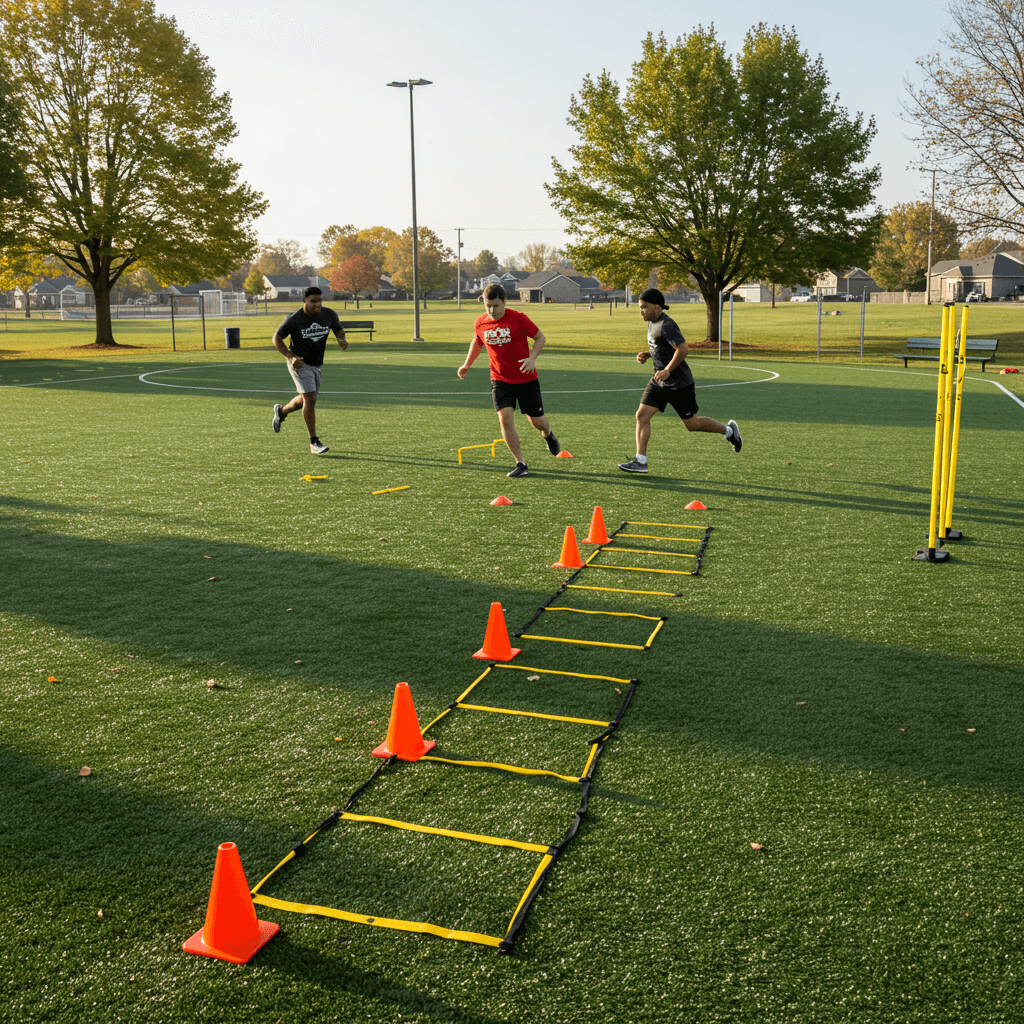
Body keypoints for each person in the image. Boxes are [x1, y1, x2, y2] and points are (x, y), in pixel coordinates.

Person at [618, 288, 741, 474]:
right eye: (640, 307)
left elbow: (683, 349)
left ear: (658, 308)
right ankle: (640, 461)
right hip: (659, 381)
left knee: (692, 424)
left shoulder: (667, 325)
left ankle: (730, 431)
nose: (641, 311)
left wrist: (667, 370)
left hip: (679, 384)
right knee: (641, 415)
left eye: (644, 307)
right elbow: (663, 346)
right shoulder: (652, 322)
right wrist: (648, 354)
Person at [457, 283, 560, 478]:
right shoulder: (480, 323)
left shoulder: (518, 318)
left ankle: (548, 434)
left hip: (525, 378)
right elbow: (478, 341)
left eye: (495, 305)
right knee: (505, 419)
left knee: (537, 421)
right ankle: (520, 463)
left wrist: (532, 358)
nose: (491, 310)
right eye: (488, 305)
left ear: (504, 302)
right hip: (500, 380)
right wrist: (466, 364)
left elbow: (540, 337)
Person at [271, 286, 347, 455]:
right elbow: (276, 338)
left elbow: (337, 328)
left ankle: (281, 411)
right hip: (300, 363)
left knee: (305, 400)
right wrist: (291, 357)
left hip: (317, 364)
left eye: (319, 301)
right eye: (313, 301)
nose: (317, 304)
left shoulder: (329, 314)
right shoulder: (294, 319)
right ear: (304, 301)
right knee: (310, 400)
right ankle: (314, 442)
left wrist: (341, 339)